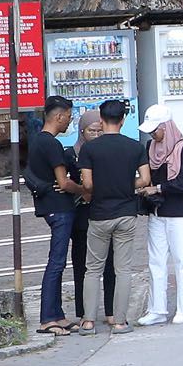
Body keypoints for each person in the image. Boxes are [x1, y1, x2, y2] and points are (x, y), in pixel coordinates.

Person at [79, 99, 151, 333]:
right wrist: (128, 185)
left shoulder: (90, 149)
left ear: (101, 119)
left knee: (93, 269)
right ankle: (119, 321)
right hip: (126, 213)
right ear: (123, 120)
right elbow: (146, 179)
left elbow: (87, 183)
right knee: (123, 269)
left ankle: (88, 321)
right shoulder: (135, 147)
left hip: (99, 214)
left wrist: (97, 191)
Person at [25, 96, 85, 336]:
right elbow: (64, 182)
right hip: (59, 208)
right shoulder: (51, 144)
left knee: (58, 263)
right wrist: (82, 190)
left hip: (50, 206)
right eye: (69, 118)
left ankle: (57, 314)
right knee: (56, 263)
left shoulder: (37, 141)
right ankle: (47, 318)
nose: (69, 122)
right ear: (58, 117)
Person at [137, 106, 183, 325]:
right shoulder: (150, 147)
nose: (153, 135)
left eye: (156, 130)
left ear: (166, 126)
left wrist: (158, 188)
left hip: (179, 212)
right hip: (157, 211)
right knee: (156, 261)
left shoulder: (182, 149)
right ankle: (157, 309)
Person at [68, 108, 113, 329]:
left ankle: (112, 309)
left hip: (104, 211)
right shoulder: (71, 154)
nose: (95, 135)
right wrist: (81, 191)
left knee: (110, 263)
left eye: (99, 131)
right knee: (81, 265)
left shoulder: (106, 152)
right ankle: (83, 311)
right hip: (81, 216)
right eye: (91, 131)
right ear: (82, 131)